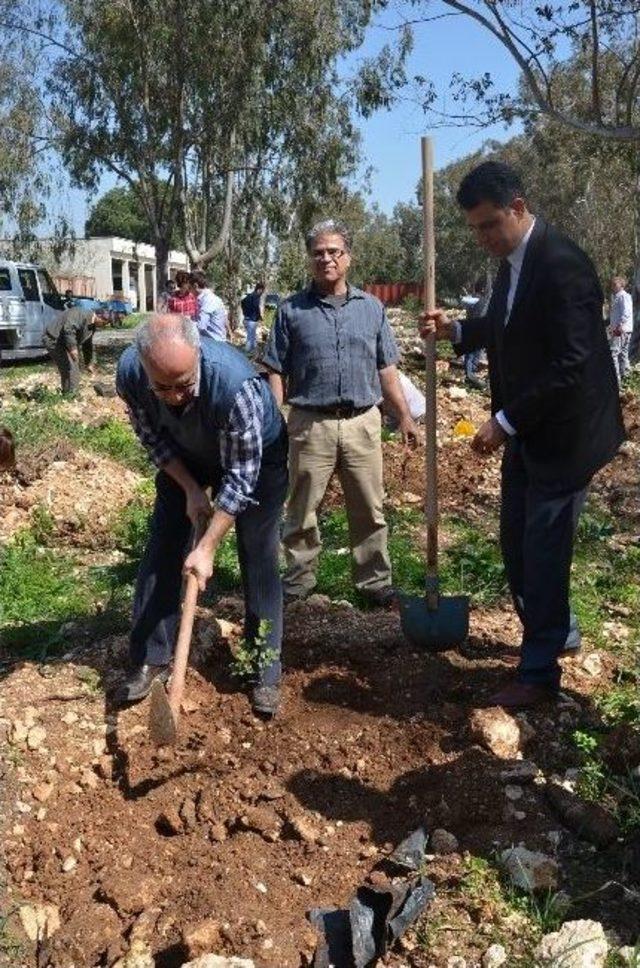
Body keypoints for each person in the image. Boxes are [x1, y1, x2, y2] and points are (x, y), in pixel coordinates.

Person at [420, 161, 624, 708]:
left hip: (565, 433)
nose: (483, 237)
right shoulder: (512, 264)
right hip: (530, 430)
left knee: (543, 548)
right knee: (516, 540)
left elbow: (573, 363)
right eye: (474, 229)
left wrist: (504, 421)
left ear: (517, 207)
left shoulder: (563, 266)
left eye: (489, 225)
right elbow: (508, 329)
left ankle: (538, 675)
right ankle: (558, 630)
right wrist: (459, 330)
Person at [115, 314, 288, 716]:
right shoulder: (130, 374)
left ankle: (263, 667)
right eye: (163, 387)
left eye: (184, 385)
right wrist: (191, 489)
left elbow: (242, 478)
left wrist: (208, 545)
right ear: (144, 367)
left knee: (258, 550)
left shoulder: (235, 385)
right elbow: (151, 437)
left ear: (197, 359)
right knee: (163, 544)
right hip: (185, 454)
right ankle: (150, 656)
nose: (174, 395)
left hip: (257, 458)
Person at [263, 218, 420, 608]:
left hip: (362, 424)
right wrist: (273, 419)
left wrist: (403, 416)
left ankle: (374, 583)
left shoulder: (371, 309)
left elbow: (386, 369)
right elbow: (275, 368)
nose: (326, 259)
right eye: (318, 253)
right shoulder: (291, 311)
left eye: (334, 252)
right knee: (301, 510)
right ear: (310, 260)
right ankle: (298, 581)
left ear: (348, 258)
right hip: (309, 423)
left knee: (369, 508)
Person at [43, 307, 109, 394]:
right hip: (53, 339)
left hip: (63, 342)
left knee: (71, 367)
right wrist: (73, 348)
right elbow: (68, 329)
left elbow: (87, 344)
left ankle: (68, 393)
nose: (103, 326)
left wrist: (89, 363)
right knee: (71, 367)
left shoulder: (92, 326)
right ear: (98, 316)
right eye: (104, 323)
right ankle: (71, 395)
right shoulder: (80, 314)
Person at [462, 278, 489, 390]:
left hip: (472, 328)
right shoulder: (484, 300)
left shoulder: (471, 299)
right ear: (483, 289)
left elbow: (463, 302)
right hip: (480, 330)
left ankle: (470, 375)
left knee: (472, 354)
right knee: (474, 354)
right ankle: (470, 375)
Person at [609, 275, 634, 387]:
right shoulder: (616, 297)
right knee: (623, 354)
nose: (613, 286)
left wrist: (619, 325)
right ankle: (627, 380)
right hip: (621, 329)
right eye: (612, 284)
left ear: (622, 285)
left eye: (615, 284)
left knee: (614, 353)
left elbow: (627, 312)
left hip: (621, 330)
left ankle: (617, 381)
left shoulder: (624, 296)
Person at [192, 270, 229, 341]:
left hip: (215, 343)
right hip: (208, 341)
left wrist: (183, 325)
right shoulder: (201, 299)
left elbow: (201, 325)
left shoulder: (209, 300)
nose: (189, 292)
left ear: (195, 286)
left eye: (190, 288)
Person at [241, 283, 265, 353]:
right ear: (259, 289)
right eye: (262, 290)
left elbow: (242, 303)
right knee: (250, 337)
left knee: (252, 335)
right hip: (252, 319)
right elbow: (256, 307)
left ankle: (254, 350)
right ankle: (247, 351)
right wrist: (259, 317)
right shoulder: (256, 297)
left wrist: (245, 313)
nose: (262, 292)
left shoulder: (248, 296)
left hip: (246, 318)